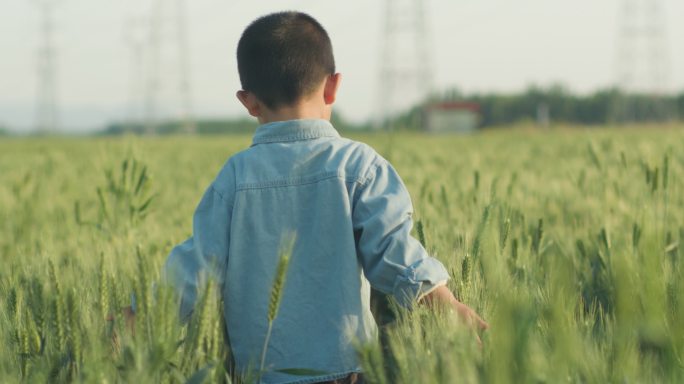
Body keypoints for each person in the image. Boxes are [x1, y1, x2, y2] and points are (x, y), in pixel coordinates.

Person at [163, 11, 487, 384]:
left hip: (260, 374)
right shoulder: (361, 166)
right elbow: (393, 252)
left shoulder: (234, 178)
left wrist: (140, 317)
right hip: (346, 370)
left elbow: (197, 266)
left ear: (248, 102)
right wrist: (444, 302)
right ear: (333, 87)